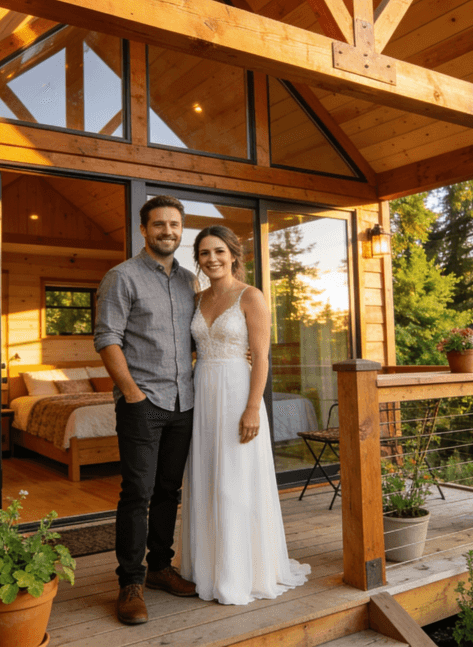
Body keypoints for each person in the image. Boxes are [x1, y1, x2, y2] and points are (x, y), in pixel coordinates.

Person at [180, 225, 310, 605]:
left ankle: (241, 573)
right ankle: (206, 569)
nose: (212, 259)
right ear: (199, 260)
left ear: (233, 254)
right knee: (206, 477)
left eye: (219, 251)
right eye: (204, 253)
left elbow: (261, 357)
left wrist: (254, 406)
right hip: (202, 392)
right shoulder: (197, 299)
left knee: (233, 481)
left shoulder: (251, 296)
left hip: (238, 394)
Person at [93, 195, 199, 625]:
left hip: (184, 403)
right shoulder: (122, 277)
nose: (167, 231)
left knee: (169, 491)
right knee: (137, 493)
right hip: (144, 402)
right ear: (144, 229)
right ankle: (130, 583)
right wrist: (132, 394)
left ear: (181, 229)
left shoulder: (190, 281)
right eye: (159, 225)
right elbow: (107, 337)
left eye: (174, 225)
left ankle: (159, 568)